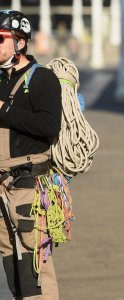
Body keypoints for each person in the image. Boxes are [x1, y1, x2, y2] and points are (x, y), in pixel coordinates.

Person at [0, 10, 62, 299]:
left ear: (20, 42)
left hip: (29, 187)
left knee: (34, 261)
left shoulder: (43, 79)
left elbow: (49, 125)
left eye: (0, 39)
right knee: (10, 260)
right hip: (2, 186)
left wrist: (4, 111)